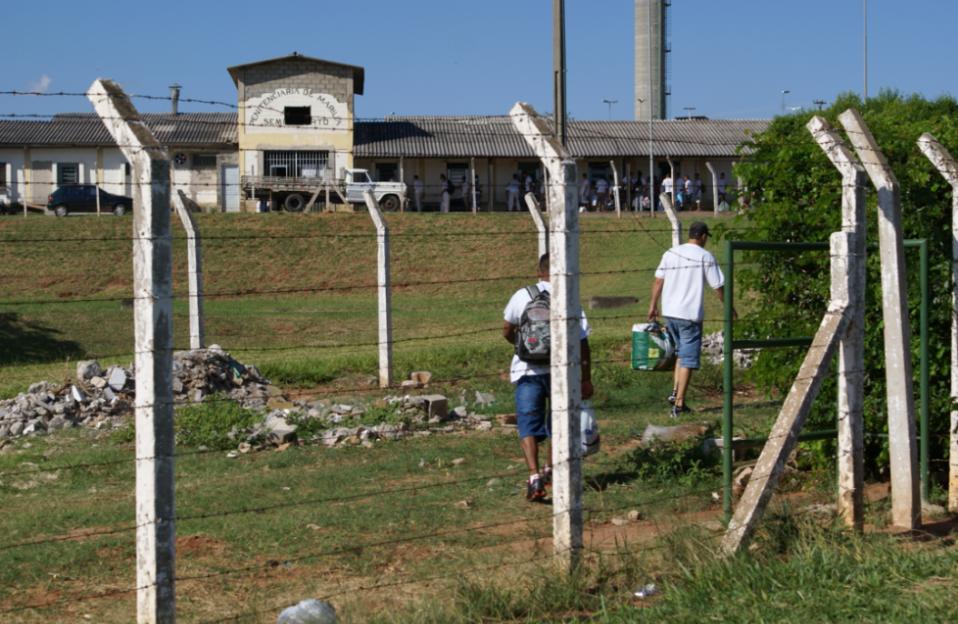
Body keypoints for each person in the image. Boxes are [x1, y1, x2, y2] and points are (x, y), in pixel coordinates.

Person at [503, 253, 594, 501]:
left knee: (527, 424)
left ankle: (534, 479)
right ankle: (550, 469)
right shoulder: (569, 298)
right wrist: (586, 377)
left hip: (527, 371)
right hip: (561, 373)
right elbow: (583, 342)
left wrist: (521, 346)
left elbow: (506, 330)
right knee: (558, 422)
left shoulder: (522, 295)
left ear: (538, 272)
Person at [648, 222, 735, 418]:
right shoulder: (705, 256)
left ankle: (675, 392)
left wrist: (653, 305)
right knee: (688, 357)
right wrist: (729, 306)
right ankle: (679, 405)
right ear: (704, 236)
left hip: (670, 312)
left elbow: (658, 281)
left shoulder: (671, 253)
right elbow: (718, 287)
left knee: (681, 353)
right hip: (689, 315)